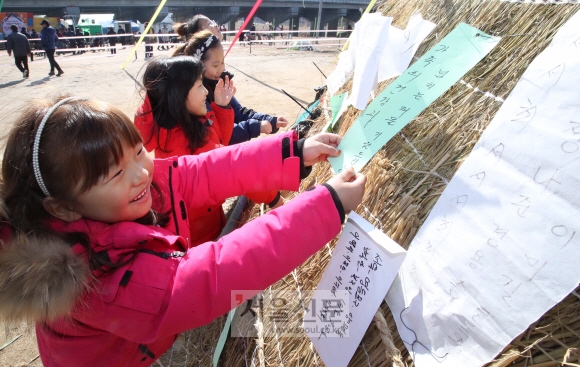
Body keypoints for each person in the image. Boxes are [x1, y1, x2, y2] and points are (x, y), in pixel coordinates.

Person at [0, 95, 365, 366]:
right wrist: (325, 206)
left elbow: (200, 171)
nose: (142, 173)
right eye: (115, 172)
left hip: (137, 344)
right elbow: (213, 277)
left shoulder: (119, 193)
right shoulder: (95, 281)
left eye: (139, 150)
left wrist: (293, 152)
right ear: (62, 207)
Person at [172, 30, 289, 145]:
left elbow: (238, 112)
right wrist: (255, 127)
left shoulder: (218, 82)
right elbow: (217, 132)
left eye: (223, 62)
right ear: (198, 64)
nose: (221, 69)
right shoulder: (196, 94)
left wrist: (270, 120)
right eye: (215, 65)